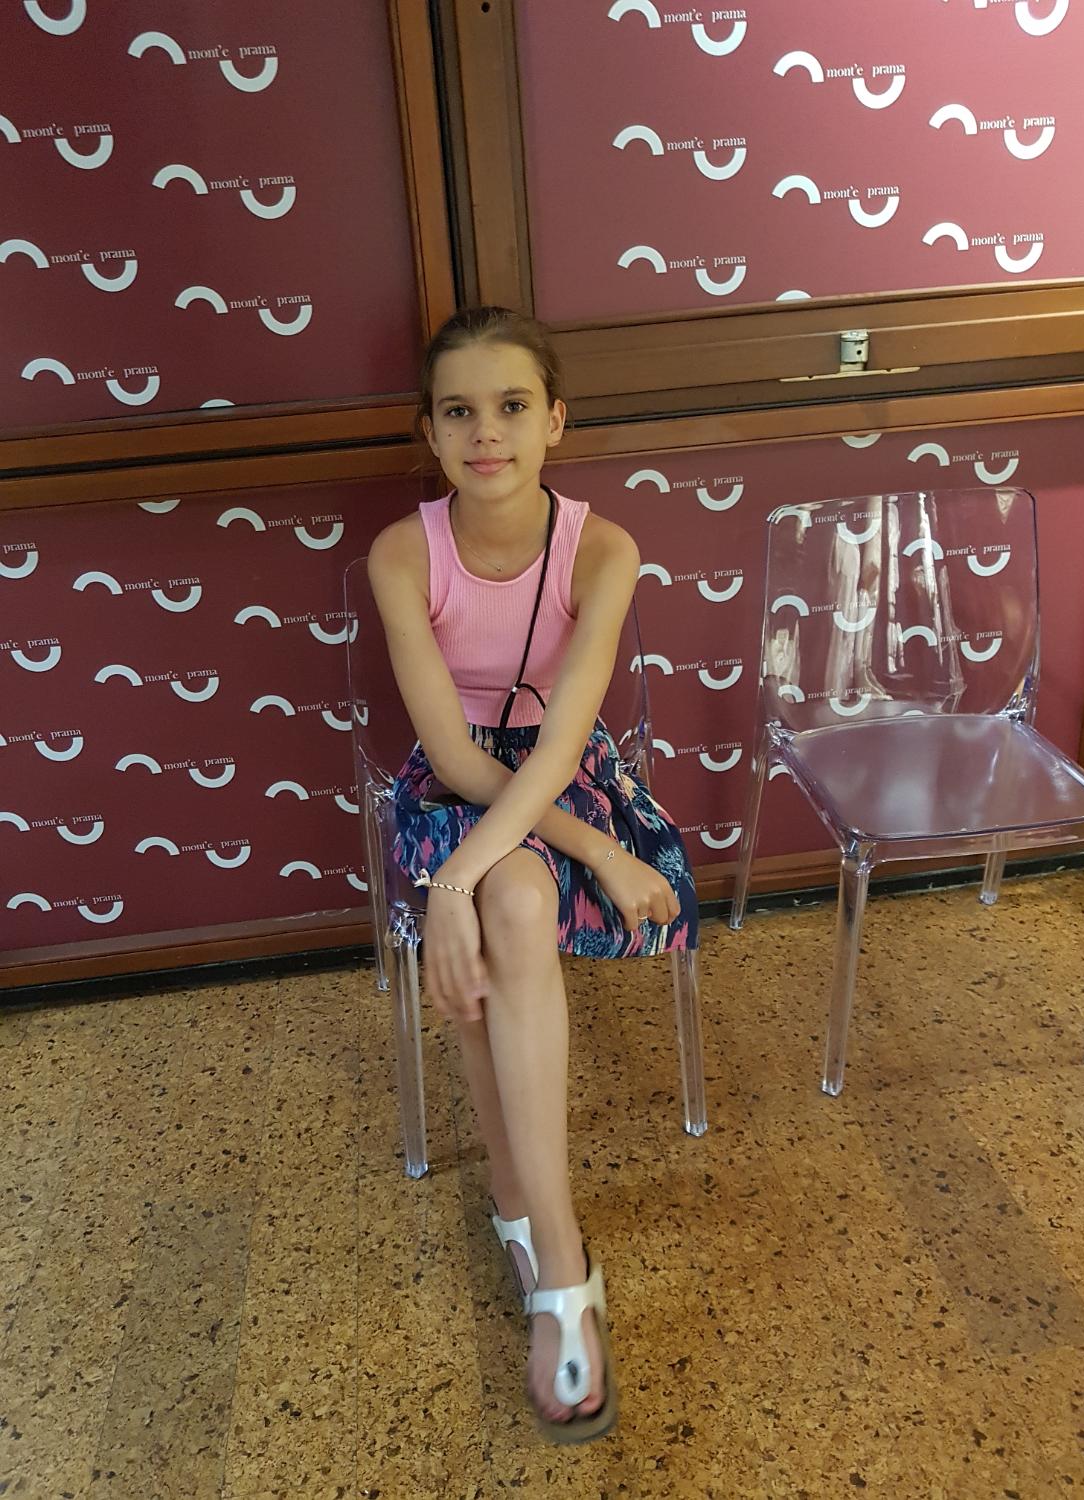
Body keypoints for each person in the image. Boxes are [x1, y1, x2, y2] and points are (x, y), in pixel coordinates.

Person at [366, 306, 699, 1443]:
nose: (486, 433)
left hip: (564, 774)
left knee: (507, 897)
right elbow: (458, 760)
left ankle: (525, 1213)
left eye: (511, 406)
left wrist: (537, 858)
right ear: (429, 431)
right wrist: (470, 875)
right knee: (507, 894)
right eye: (458, 411)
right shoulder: (402, 553)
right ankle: (558, 1258)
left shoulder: (604, 550)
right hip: (455, 787)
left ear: (554, 420)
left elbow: (560, 746)